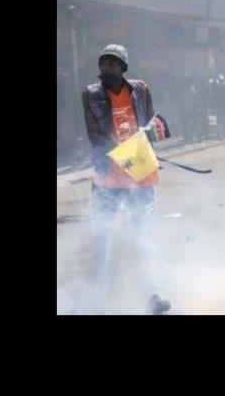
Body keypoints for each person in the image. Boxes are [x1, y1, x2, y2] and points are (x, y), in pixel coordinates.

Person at [81, 44, 171, 314]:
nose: (105, 67)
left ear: (123, 67)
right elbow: (95, 135)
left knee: (145, 236)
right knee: (102, 238)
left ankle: (153, 293)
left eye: (111, 63)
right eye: (103, 63)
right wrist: (125, 153)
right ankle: (100, 295)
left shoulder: (141, 89)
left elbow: (151, 122)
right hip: (108, 175)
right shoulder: (91, 94)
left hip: (140, 175)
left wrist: (146, 142)